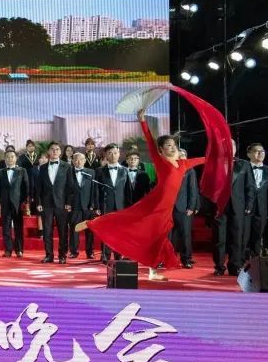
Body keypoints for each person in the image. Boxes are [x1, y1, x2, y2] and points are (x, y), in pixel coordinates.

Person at [76, 109, 210, 279]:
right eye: (168, 145)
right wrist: (142, 121)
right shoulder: (160, 161)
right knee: (128, 217)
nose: (172, 147)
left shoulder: (183, 164)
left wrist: (221, 153)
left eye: (173, 145)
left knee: (159, 238)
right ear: (161, 149)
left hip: (166, 209)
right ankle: (92, 223)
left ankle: (153, 272)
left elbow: (205, 159)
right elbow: (149, 140)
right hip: (154, 203)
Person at [211, 141, 253, 276]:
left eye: (232, 146)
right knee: (219, 237)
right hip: (219, 206)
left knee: (236, 237)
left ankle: (235, 266)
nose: (229, 148)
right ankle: (219, 266)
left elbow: (250, 187)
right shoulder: (214, 164)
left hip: (238, 206)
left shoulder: (244, 164)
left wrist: (249, 204)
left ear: (235, 148)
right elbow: (207, 185)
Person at [36, 142, 78, 264]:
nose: (54, 151)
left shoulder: (67, 166)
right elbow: (38, 187)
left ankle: (62, 255)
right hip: (46, 204)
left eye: (57, 149)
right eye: (52, 149)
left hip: (62, 203)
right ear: (48, 152)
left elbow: (70, 187)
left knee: (63, 231)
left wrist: (69, 202)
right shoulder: (42, 168)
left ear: (60, 152)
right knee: (47, 231)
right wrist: (38, 202)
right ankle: (49, 255)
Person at [94, 144, 127, 263]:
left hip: (121, 205)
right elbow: (96, 190)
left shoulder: (125, 171)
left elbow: (127, 190)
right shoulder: (99, 171)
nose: (113, 155)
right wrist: (97, 206)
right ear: (106, 155)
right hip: (105, 204)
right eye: (110, 153)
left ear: (119, 154)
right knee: (106, 230)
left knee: (120, 231)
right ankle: (105, 254)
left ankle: (119, 254)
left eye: (115, 153)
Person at [0, 149, 29, 258]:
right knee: (6, 227)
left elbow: (26, 187)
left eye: (12, 156)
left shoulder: (22, 171)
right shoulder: (0, 172)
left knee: (18, 227)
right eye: (8, 157)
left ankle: (19, 250)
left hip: (18, 203)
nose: (10, 158)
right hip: (4, 203)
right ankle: (8, 250)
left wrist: (24, 201)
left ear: (16, 158)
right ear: (5, 159)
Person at [244, 143, 268, 260]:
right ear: (249, 154)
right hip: (245, 207)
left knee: (258, 236)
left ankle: (255, 261)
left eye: (262, 151)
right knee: (244, 235)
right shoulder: (243, 168)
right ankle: (241, 261)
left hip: (261, 209)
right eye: (257, 151)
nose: (260, 153)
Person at [171, 149, 199, 269]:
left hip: (183, 207)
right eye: (178, 155)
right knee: (169, 236)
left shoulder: (189, 170)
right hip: (168, 207)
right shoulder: (170, 168)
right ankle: (169, 258)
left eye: (183, 156)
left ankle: (186, 259)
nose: (180, 158)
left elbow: (193, 190)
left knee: (185, 235)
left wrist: (191, 206)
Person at [69, 152, 97, 260]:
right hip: (74, 205)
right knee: (74, 229)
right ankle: (73, 251)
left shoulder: (91, 172)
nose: (78, 161)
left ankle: (90, 252)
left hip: (88, 205)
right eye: (76, 159)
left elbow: (94, 189)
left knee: (89, 230)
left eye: (80, 159)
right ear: (72, 161)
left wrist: (93, 204)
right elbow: (66, 189)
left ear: (85, 161)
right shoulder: (68, 172)